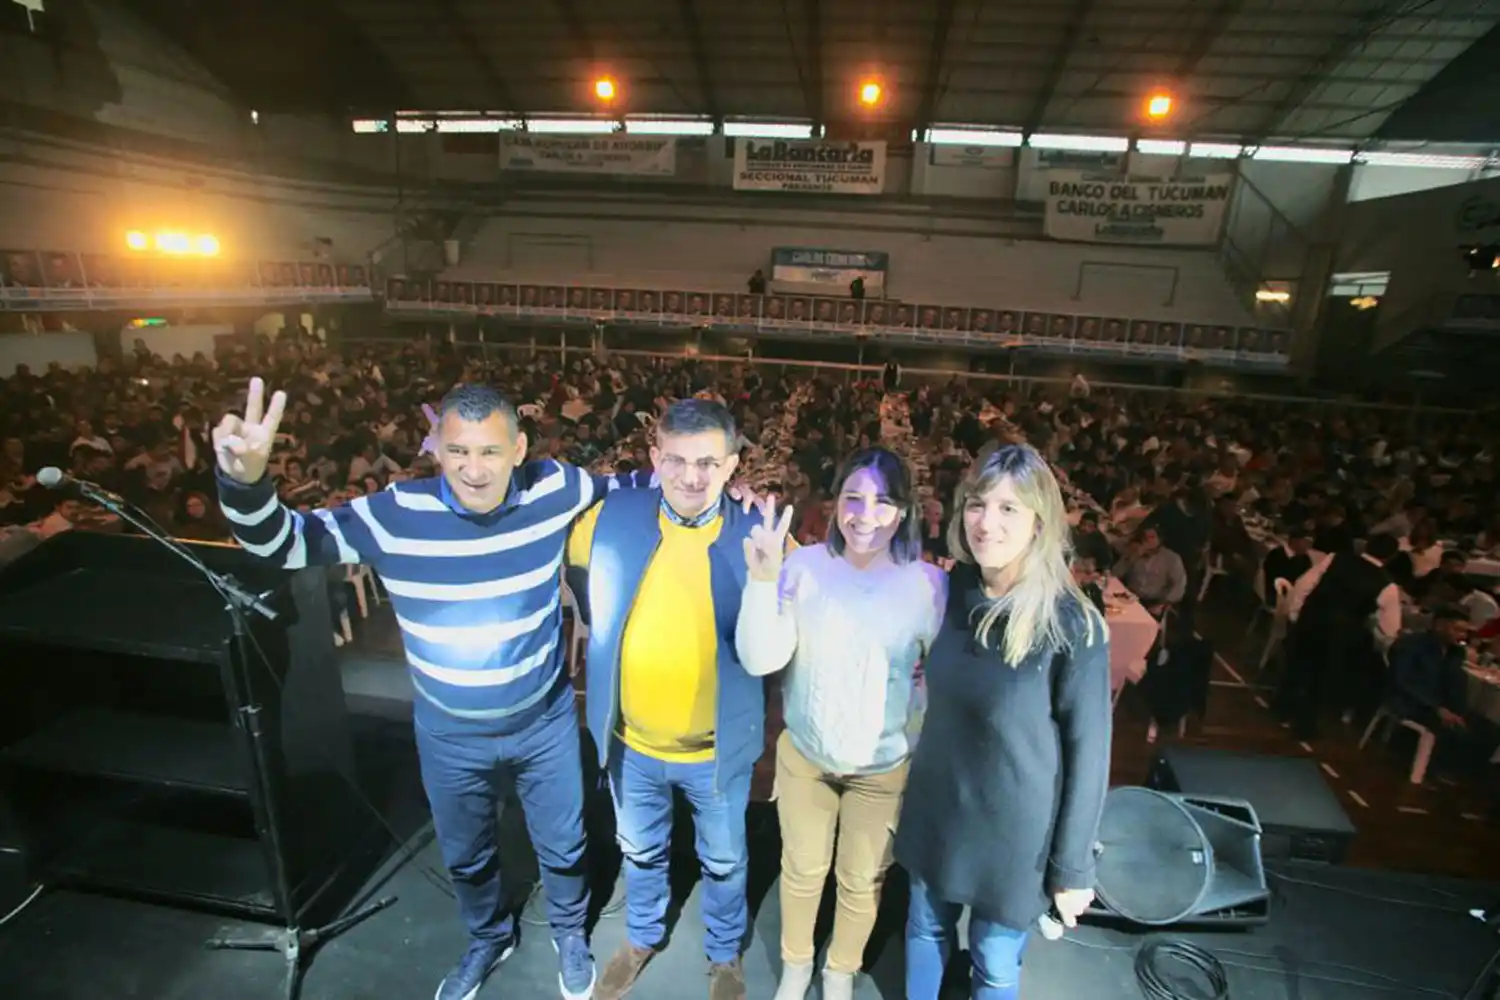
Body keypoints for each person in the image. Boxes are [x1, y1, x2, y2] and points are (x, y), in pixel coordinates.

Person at [213, 378, 651, 1000]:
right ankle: (488, 937)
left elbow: (628, 488)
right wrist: (246, 483)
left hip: (543, 721)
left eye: (491, 452)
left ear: (520, 448)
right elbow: (281, 544)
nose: (474, 470)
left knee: (564, 842)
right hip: (448, 732)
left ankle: (569, 932)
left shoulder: (558, 487)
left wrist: (714, 486)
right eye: (458, 452)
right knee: (467, 855)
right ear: (435, 449)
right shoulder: (395, 513)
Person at [566, 399, 787, 1000]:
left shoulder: (756, 535)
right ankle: (641, 937)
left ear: (733, 465)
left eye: (708, 463)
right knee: (639, 851)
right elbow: (558, 559)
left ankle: (724, 954)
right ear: (654, 458)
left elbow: (775, 647)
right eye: (678, 461)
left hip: (716, 750)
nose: (692, 477)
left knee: (724, 860)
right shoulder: (611, 518)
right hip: (631, 743)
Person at [894, 444, 1111, 1000]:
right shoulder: (956, 590)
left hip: (1015, 832)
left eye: (1008, 509)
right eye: (977, 504)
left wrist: (1073, 867)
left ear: (1041, 521)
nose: (986, 523)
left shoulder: (1071, 624)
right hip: (939, 805)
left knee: (993, 961)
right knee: (924, 929)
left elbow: (1090, 757)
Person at [735, 448, 945, 1000]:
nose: (865, 513)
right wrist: (761, 581)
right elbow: (760, 660)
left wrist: (918, 743)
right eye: (853, 497)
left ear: (903, 511)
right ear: (834, 504)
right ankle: (797, 964)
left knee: (861, 881)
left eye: (882, 500)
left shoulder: (926, 586)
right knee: (801, 872)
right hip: (807, 757)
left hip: (883, 769)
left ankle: (839, 971)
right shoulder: (803, 567)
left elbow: (936, 680)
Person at [1280, 533, 1401, 739]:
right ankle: (1305, 726)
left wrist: (1294, 613)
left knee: (1297, 666)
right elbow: (1390, 629)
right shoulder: (1387, 586)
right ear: (1391, 557)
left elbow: (1305, 583)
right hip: (1343, 635)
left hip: (1311, 620)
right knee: (1321, 680)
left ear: (1366, 545)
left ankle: (1281, 710)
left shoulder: (1335, 558)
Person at [1112, 525, 1186, 615]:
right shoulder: (1133, 552)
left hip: (1156, 603)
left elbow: (1179, 585)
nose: (1148, 541)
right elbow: (1114, 574)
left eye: (1152, 537)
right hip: (1130, 598)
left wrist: (1164, 604)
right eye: (1145, 538)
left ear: (1160, 539)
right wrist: (1132, 558)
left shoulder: (1172, 558)